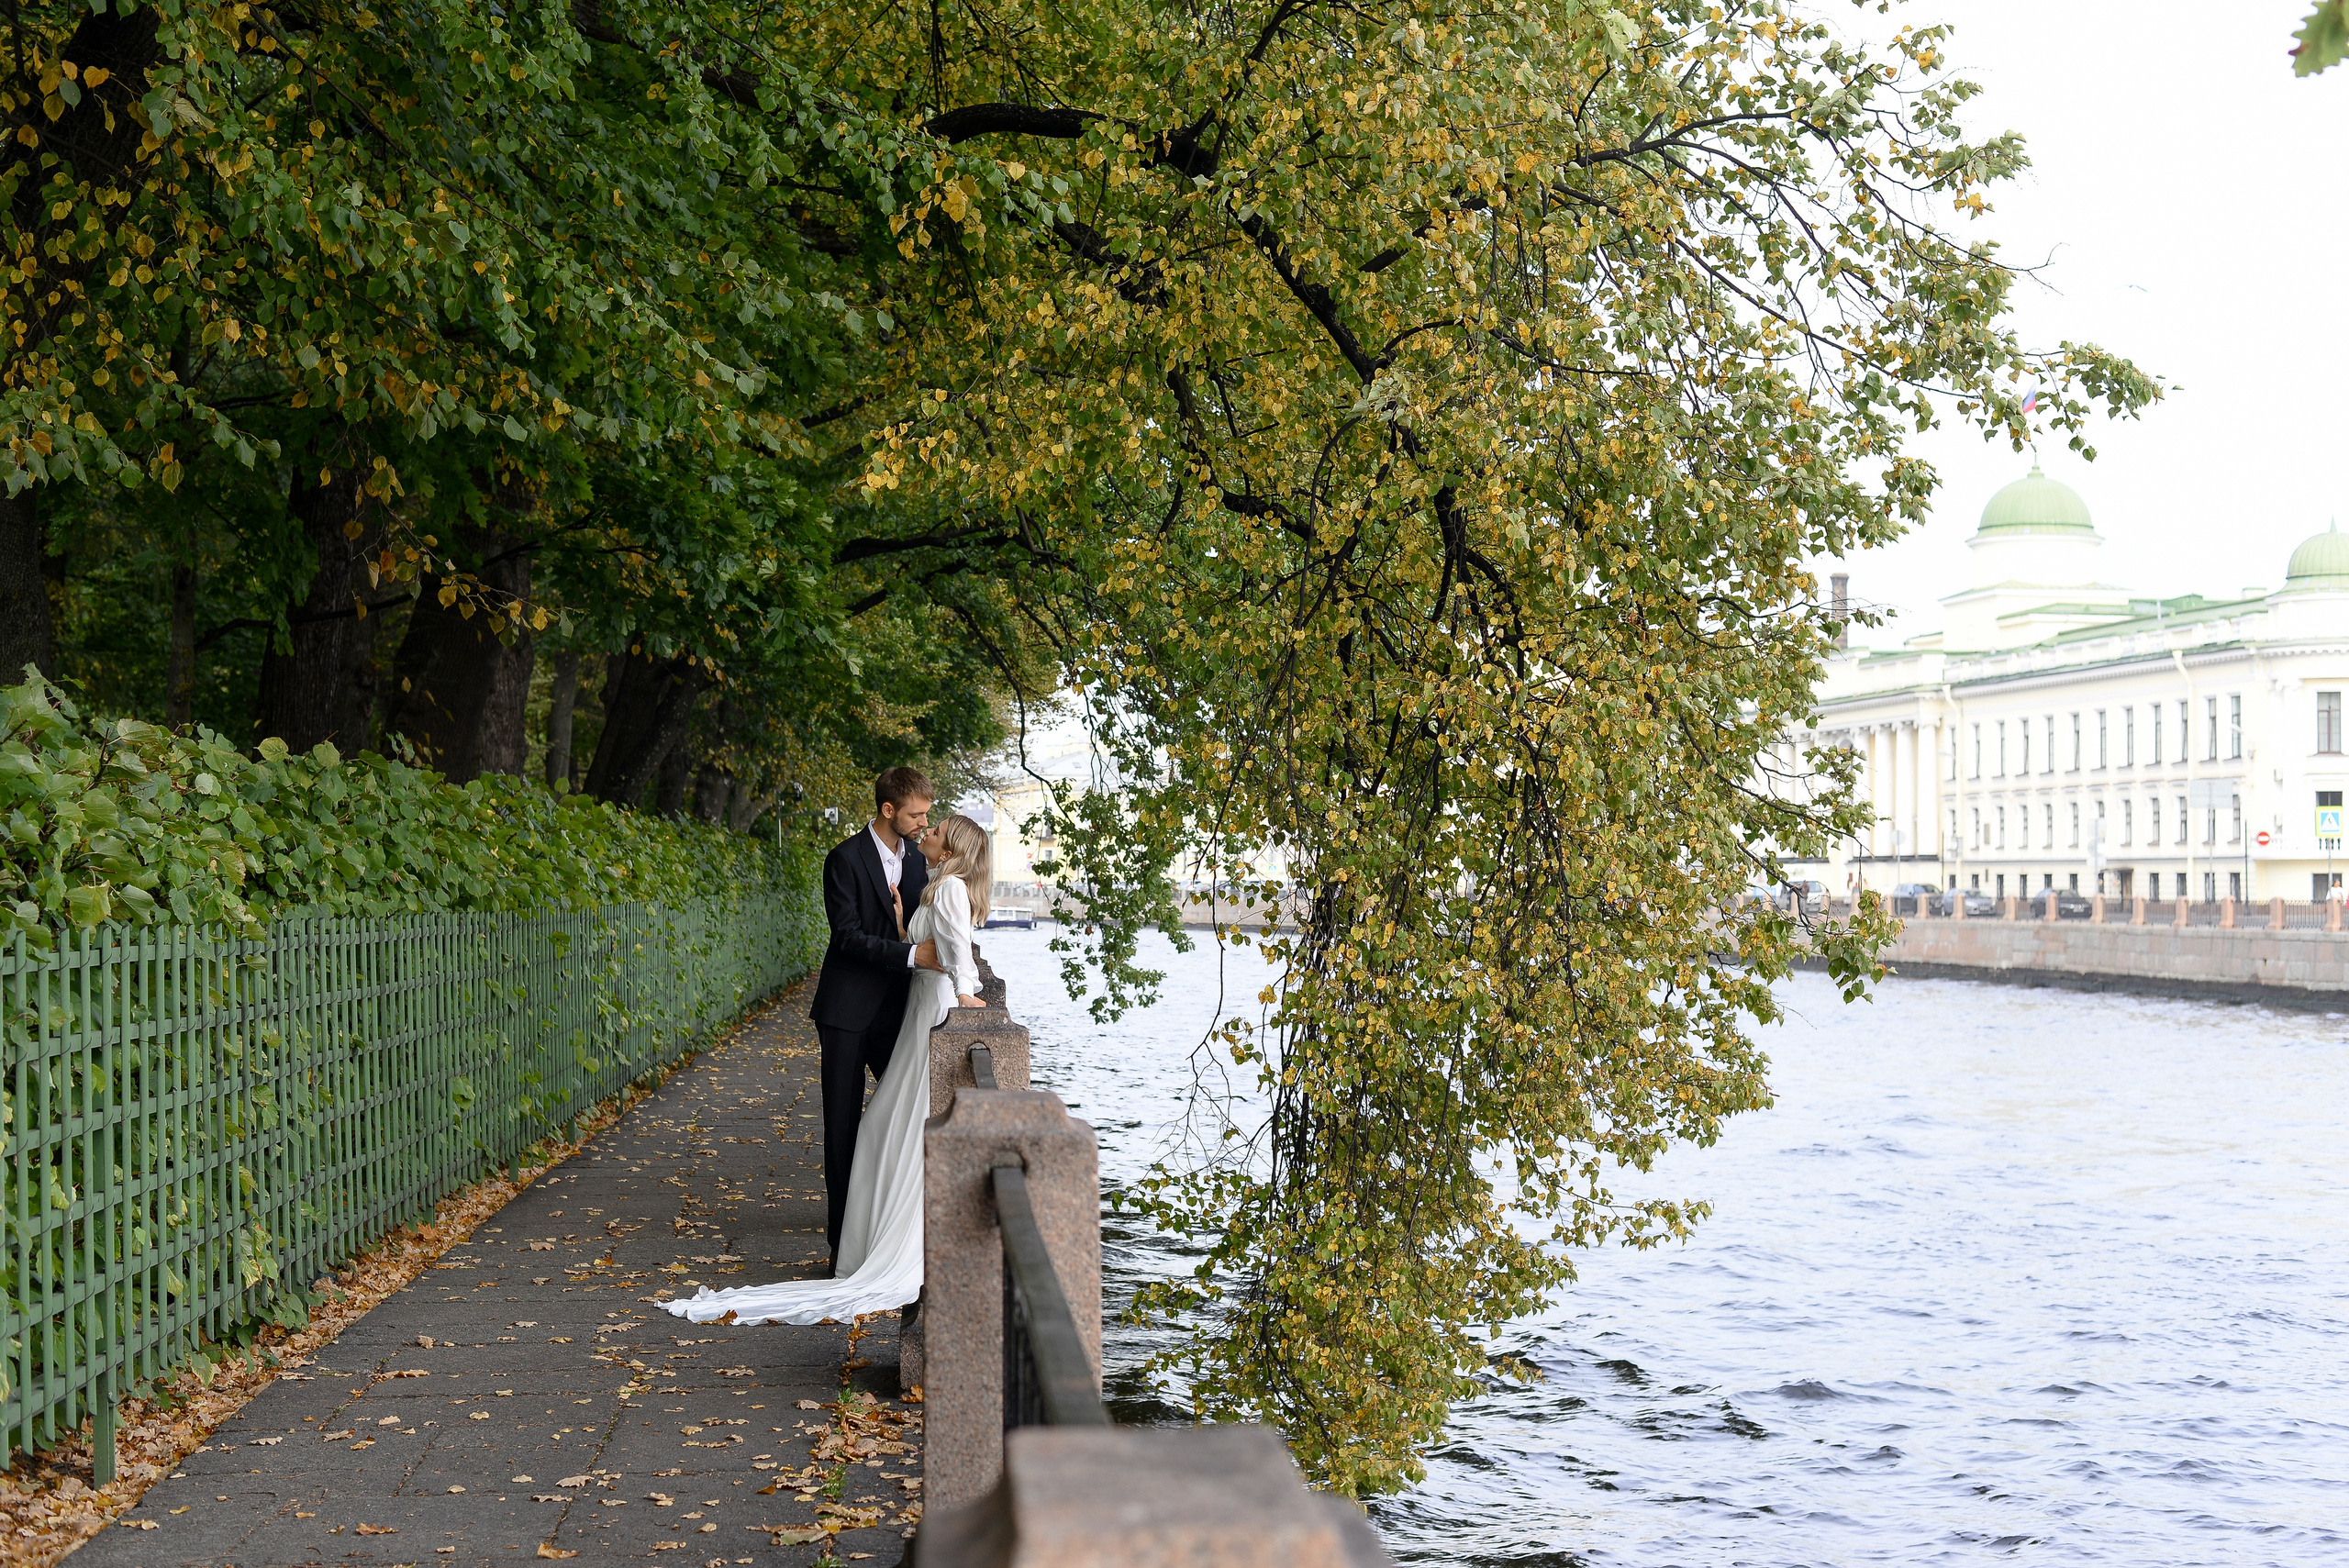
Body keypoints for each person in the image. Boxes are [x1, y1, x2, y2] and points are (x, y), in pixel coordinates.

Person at [664, 812, 989, 1326]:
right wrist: (903, 921)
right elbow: (926, 944)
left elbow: (958, 953)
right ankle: (874, 1242)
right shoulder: (935, 885)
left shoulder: (948, 889)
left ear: (948, 850)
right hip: (918, 1010)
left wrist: (967, 996)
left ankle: (894, 1246)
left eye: (936, 830)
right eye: (925, 822)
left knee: (898, 1127)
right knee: (887, 1127)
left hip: (934, 1009)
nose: (926, 831)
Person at [805, 767, 939, 1268]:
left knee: (906, 1117)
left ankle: (889, 1234)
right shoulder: (843, 858)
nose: (924, 823)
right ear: (888, 810)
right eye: (916, 815)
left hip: (899, 1013)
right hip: (845, 1012)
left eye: (926, 815)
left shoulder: (920, 861)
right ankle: (841, 1248)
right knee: (841, 1128)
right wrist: (912, 956)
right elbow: (846, 936)